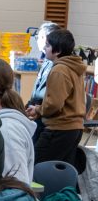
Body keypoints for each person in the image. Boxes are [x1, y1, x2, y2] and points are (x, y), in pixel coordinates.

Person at [28, 27, 85, 164]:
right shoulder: (73, 66)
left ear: (58, 51)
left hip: (60, 128)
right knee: (60, 171)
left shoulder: (59, 70)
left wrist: (38, 109)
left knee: (35, 165)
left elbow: (54, 104)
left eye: (48, 45)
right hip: (74, 128)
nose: (45, 48)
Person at [27, 22, 59, 143]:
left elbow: (50, 96)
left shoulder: (57, 66)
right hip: (39, 112)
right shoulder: (47, 60)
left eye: (38, 37)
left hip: (46, 117)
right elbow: (38, 89)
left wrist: (37, 109)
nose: (38, 41)